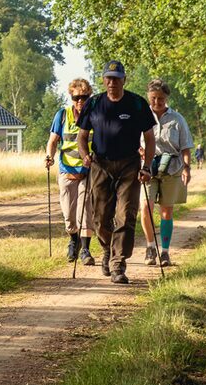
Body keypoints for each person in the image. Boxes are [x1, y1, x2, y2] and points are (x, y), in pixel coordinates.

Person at [76, 61, 157, 285]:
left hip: (129, 166)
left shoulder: (137, 104)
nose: (112, 82)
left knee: (125, 215)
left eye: (116, 78)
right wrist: (85, 156)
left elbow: (150, 139)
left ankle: (118, 263)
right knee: (100, 218)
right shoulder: (93, 104)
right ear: (103, 80)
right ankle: (108, 250)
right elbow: (82, 137)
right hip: (100, 165)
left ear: (124, 79)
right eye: (108, 78)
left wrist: (147, 166)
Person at [136, 80, 192, 267]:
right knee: (146, 207)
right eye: (153, 98)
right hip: (147, 168)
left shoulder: (177, 119)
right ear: (148, 97)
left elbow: (185, 146)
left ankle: (165, 251)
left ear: (166, 98)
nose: (157, 102)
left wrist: (186, 168)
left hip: (172, 168)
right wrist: (140, 151)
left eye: (161, 99)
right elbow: (133, 141)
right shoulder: (142, 117)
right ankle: (151, 247)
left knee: (167, 210)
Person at [45, 78, 95, 264]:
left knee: (85, 209)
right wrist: (49, 156)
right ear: (71, 97)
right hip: (67, 170)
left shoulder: (94, 115)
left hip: (88, 171)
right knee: (69, 214)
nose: (80, 101)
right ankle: (73, 240)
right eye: (76, 98)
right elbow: (52, 141)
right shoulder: (62, 115)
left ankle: (86, 250)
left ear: (90, 97)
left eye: (84, 97)